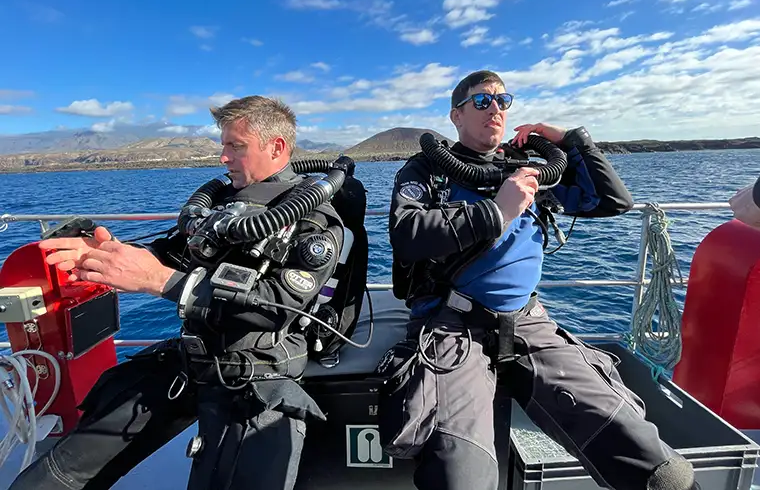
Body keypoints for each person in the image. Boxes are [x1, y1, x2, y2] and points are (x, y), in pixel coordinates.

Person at [378, 70, 701, 490]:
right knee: (460, 477)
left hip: (528, 322)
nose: (495, 109)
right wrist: (497, 212)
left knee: (653, 462)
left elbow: (612, 201)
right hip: (450, 324)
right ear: (456, 115)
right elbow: (407, 235)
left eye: (502, 101)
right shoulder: (428, 171)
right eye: (481, 101)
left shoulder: (530, 171)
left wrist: (572, 141)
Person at [10, 96, 348, 490]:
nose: (223, 158)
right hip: (191, 361)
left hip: (253, 375)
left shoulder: (313, 222)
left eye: (235, 146)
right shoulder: (224, 204)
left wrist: (158, 281)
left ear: (276, 147)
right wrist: (112, 254)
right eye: (223, 145)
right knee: (52, 476)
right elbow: (172, 250)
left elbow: (276, 309)